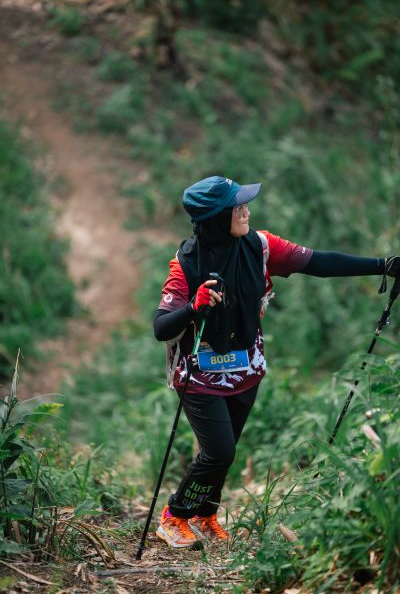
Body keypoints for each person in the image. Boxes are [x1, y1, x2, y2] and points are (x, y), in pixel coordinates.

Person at [153, 175, 399, 549]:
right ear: (217, 218)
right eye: (238, 207)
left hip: (245, 369)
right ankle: (174, 516)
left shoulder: (262, 247)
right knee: (220, 451)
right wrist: (193, 306)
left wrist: (383, 265)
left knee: (224, 451)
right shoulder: (185, 265)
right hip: (199, 376)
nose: (246, 211)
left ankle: (206, 514)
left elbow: (318, 262)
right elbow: (161, 327)